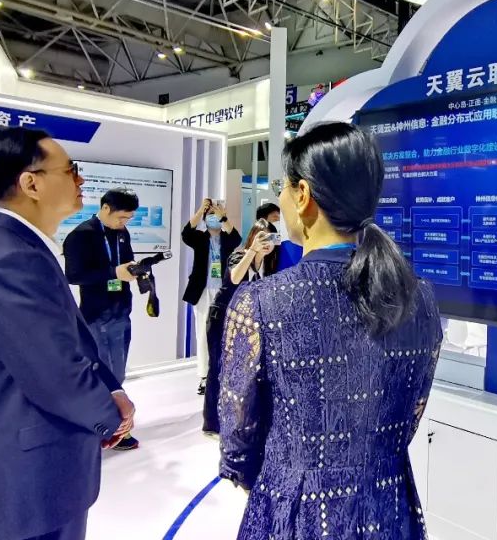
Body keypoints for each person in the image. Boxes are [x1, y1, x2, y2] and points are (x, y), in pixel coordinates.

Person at [218, 122, 444, 539]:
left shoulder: (260, 303)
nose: (281, 198)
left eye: (282, 187)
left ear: (303, 195)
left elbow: (237, 433)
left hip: (293, 509)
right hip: (388, 507)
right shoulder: (421, 298)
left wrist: (272, 474)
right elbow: (412, 410)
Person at [0, 127, 135, 540]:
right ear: (31, 183)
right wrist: (110, 417)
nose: (80, 179)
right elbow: (54, 371)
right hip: (23, 483)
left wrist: (111, 389)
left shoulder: (15, 246)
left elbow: (65, 342)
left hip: (32, 472)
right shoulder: (11, 259)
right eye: (70, 170)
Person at [63, 188, 142, 451]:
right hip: (97, 314)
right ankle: (106, 428)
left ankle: (114, 425)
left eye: (128, 218)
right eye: (121, 217)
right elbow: (74, 275)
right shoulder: (81, 235)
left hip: (121, 311)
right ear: (105, 208)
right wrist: (113, 273)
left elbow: (125, 262)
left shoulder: (121, 233)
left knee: (118, 374)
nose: (124, 222)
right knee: (102, 375)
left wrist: (135, 271)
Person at [201, 219, 278, 434]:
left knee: (241, 370)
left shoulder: (269, 264)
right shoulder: (239, 256)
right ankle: (211, 424)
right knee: (218, 368)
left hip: (244, 323)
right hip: (221, 318)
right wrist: (252, 252)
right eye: (262, 237)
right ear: (253, 237)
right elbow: (235, 278)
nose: (267, 243)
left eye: (271, 238)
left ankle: (237, 419)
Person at [181, 197, 240, 395]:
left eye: (217, 215)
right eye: (211, 215)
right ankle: (204, 375)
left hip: (223, 291)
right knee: (202, 333)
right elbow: (186, 233)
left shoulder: (227, 239)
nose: (214, 218)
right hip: (202, 291)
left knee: (225, 333)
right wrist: (201, 210)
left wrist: (224, 217)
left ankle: (224, 373)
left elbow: (237, 238)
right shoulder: (199, 238)